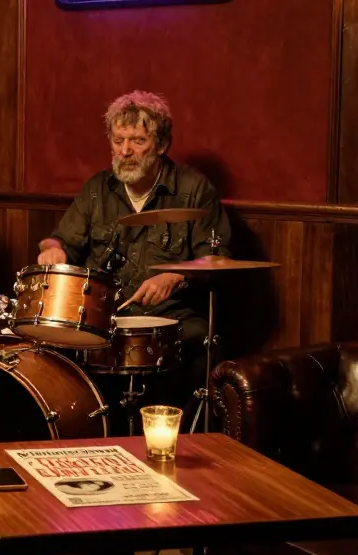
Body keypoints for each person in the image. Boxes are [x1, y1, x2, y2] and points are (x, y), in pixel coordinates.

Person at [36, 91, 230, 420]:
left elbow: (217, 259)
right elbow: (59, 240)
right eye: (119, 139)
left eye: (138, 140)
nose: (126, 151)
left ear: (161, 144)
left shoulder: (193, 189)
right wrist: (51, 248)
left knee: (201, 347)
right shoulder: (98, 189)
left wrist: (176, 276)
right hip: (105, 315)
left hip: (174, 319)